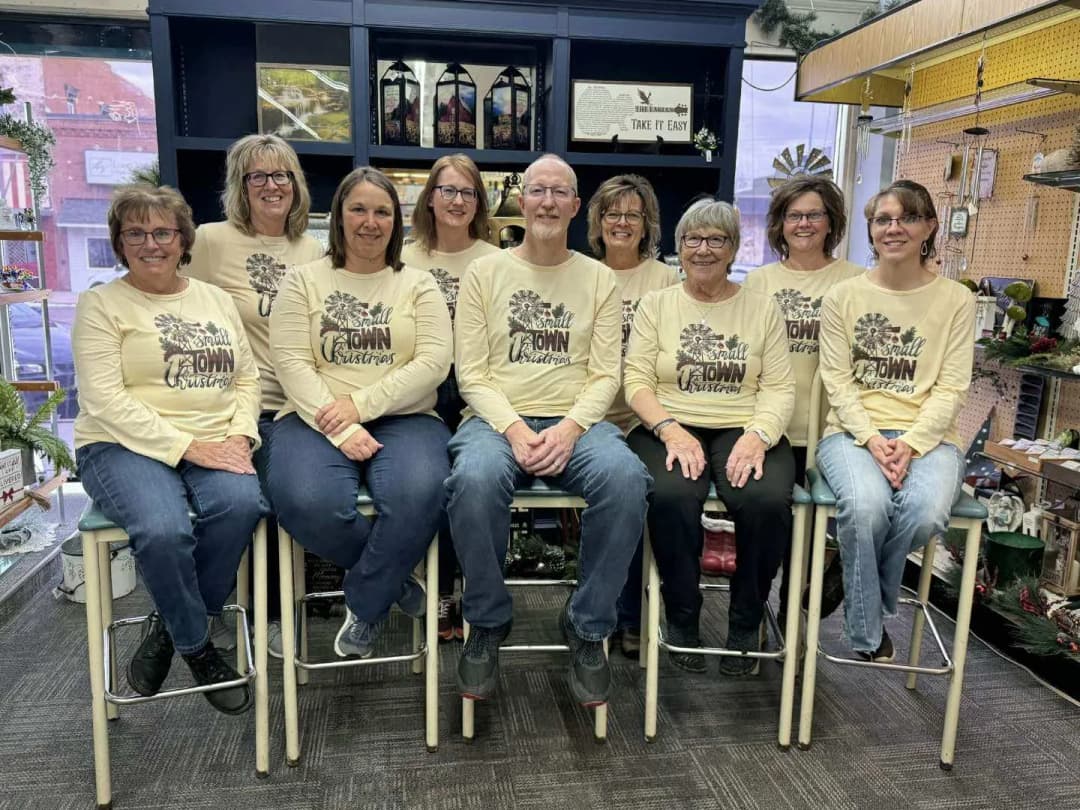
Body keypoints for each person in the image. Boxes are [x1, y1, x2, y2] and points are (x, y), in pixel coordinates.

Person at [447, 154, 651, 707]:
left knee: (628, 478)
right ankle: (487, 621)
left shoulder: (599, 279)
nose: (548, 202)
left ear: (576, 206)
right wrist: (515, 430)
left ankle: (588, 626)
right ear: (521, 199)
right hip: (495, 420)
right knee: (472, 478)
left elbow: (606, 373)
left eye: (560, 193)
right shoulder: (484, 273)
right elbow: (472, 373)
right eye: (538, 190)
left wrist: (567, 429)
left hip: (578, 422)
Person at [73, 184, 267, 714]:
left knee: (243, 504)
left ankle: (168, 622)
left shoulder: (215, 299)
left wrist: (240, 435)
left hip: (215, 438)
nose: (150, 243)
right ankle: (197, 644)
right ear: (119, 243)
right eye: (135, 233)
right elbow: (104, 399)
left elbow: (247, 379)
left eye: (163, 232)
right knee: (162, 528)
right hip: (120, 446)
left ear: (183, 240)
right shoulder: (101, 304)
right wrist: (189, 447)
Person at [266, 167, 452, 659]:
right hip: (313, 416)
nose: (370, 222)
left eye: (382, 212)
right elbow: (290, 362)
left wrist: (362, 406)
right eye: (358, 209)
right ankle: (395, 585)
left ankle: (367, 600)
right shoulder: (302, 282)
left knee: (421, 491)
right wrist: (339, 419)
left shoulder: (419, 284)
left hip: (407, 417)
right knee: (307, 500)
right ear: (339, 217)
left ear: (397, 222)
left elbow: (433, 362)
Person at [623, 198, 795, 676]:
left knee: (764, 500)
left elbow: (780, 387)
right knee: (672, 496)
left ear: (734, 248)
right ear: (679, 248)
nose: (703, 249)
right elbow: (636, 380)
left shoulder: (762, 310)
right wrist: (670, 430)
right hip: (666, 423)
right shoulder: (656, 305)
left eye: (716, 239)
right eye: (692, 239)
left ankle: (746, 618)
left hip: (744, 425)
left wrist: (758, 435)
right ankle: (682, 614)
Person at [816, 179, 974, 662]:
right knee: (865, 509)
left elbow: (952, 386)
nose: (894, 228)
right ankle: (867, 633)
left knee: (925, 514)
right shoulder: (842, 297)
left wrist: (911, 442)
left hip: (930, 439)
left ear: (929, 227)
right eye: (883, 220)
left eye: (907, 218)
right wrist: (870, 436)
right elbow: (837, 382)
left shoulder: (957, 300)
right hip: (849, 433)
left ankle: (853, 568)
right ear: (871, 230)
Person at [185, 134, 324, 657]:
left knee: (298, 497)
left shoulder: (312, 249)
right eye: (258, 176)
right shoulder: (209, 241)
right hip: (230, 408)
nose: (272, 186)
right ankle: (233, 611)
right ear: (240, 186)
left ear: (296, 185)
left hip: (296, 406)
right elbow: (179, 314)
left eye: (282, 175)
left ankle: (274, 604)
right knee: (255, 502)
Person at [743, 176, 862, 620]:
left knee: (810, 541)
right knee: (765, 530)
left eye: (815, 214)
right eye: (795, 215)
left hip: (829, 428)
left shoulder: (855, 281)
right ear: (780, 224)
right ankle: (753, 616)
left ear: (831, 222)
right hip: (770, 428)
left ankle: (796, 630)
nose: (805, 224)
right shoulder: (758, 282)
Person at [402, 154, 499, 642]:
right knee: (431, 487)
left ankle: (463, 589)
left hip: (478, 383)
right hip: (420, 386)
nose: (458, 201)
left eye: (468, 192)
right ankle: (436, 591)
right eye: (448, 191)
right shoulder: (405, 256)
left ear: (480, 202)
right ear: (430, 198)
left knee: (467, 486)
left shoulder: (495, 259)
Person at [584, 174, 678, 658]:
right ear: (597, 222)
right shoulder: (580, 272)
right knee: (607, 516)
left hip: (645, 418)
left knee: (644, 509)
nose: (622, 222)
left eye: (633, 215)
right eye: (612, 213)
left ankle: (633, 615)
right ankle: (599, 610)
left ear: (647, 225)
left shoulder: (665, 280)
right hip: (591, 418)